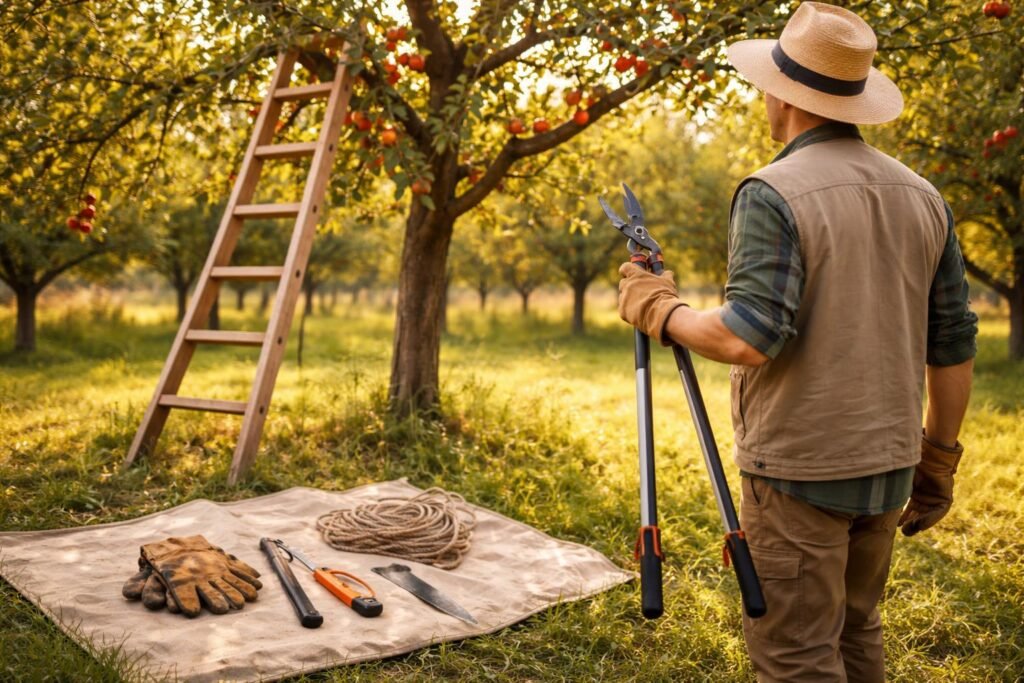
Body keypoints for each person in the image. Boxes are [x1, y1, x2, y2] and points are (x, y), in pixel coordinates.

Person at [616, 3, 978, 682]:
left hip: (801, 472)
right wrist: (939, 458)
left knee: (795, 655)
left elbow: (748, 336)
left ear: (779, 93)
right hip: (891, 463)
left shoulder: (773, 191)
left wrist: (658, 307)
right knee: (856, 630)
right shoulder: (924, 196)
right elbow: (953, 345)